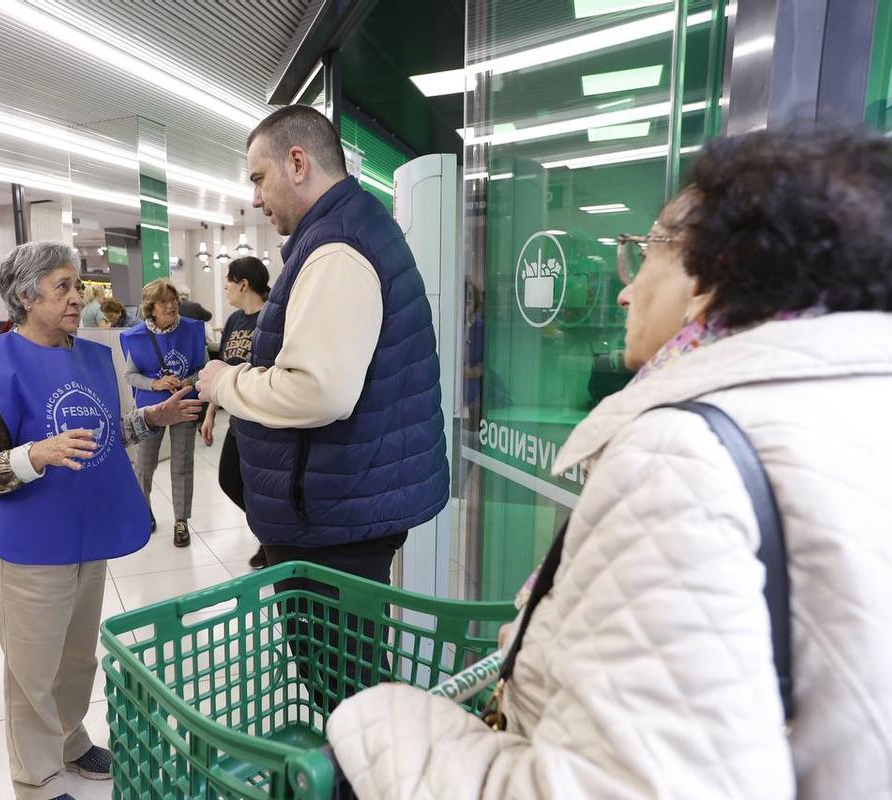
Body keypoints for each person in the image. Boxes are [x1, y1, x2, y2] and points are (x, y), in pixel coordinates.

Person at [325, 129, 892, 800]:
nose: (624, 291)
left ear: (710, 277)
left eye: (644, 251)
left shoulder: (680, 461)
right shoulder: (857, 413)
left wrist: (376, 723)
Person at [0, 242, 200, 800]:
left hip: (87, 526)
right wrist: (35, 455)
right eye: (63, 286)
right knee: (32, 666)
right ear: (25, 296)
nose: (77, 297)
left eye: (77, 285)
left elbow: (102, 434)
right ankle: (34, 778)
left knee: (78, 651)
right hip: (26, 538)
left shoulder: (90, 356)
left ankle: (70, 738)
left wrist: (152, 416)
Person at [196, 106, 448, 653]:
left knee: (342, 677)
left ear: (297, 162)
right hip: (343, 504)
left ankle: (363, 743)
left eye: (259, 178)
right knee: (348, 671)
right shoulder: (349, 229)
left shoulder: (336, 247)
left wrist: (223, 384)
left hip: (335, 519)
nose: (257, 198)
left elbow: (319, 390)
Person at [121, 279, 208, 548]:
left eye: (174, 300)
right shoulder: (136, 336)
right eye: (164, 302)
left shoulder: (193, 330)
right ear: (151, 308)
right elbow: (130, 375)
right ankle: (143, 510)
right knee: (144, 465)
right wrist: (155, 384)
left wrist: (189, 381)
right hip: (151, 410)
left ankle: (181, 521)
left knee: (182, 465)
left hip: (184, 405)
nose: (171, 306)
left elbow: (205, 367)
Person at [199, 256, 269, 569]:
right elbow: (220, 369)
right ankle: (269, 533)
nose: (225, 286)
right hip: (236, 418)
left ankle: (271, 539)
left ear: (244, 283)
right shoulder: (234, 321)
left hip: (262, 417)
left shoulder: (270, 318)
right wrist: (211, 412)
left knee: (262, 486)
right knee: (230, 479)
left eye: (229, 280)